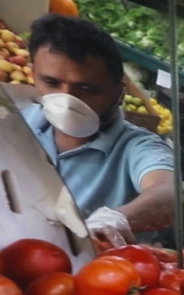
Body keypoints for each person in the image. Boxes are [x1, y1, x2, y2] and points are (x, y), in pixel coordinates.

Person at [21, 13, 175, 246]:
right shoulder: (15, 123)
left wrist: (116, 219)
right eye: (52, 83)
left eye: (87, 89)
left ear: (119, 93)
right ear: (33, 76)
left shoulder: (138, 147)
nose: (67, 99)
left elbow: (169, 194)